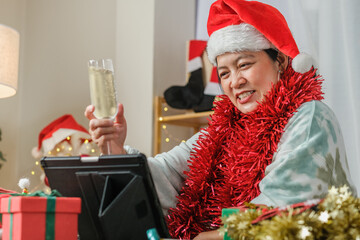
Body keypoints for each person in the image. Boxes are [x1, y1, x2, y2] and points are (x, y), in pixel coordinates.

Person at [85, 0, 356, 239]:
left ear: (281, 62)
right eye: (224, 73)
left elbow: (284, 208)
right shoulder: (222, 131)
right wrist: (117, 149)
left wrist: (212, 236)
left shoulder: (309, 116)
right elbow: (166, 175)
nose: (235, 82)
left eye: (244, 64)